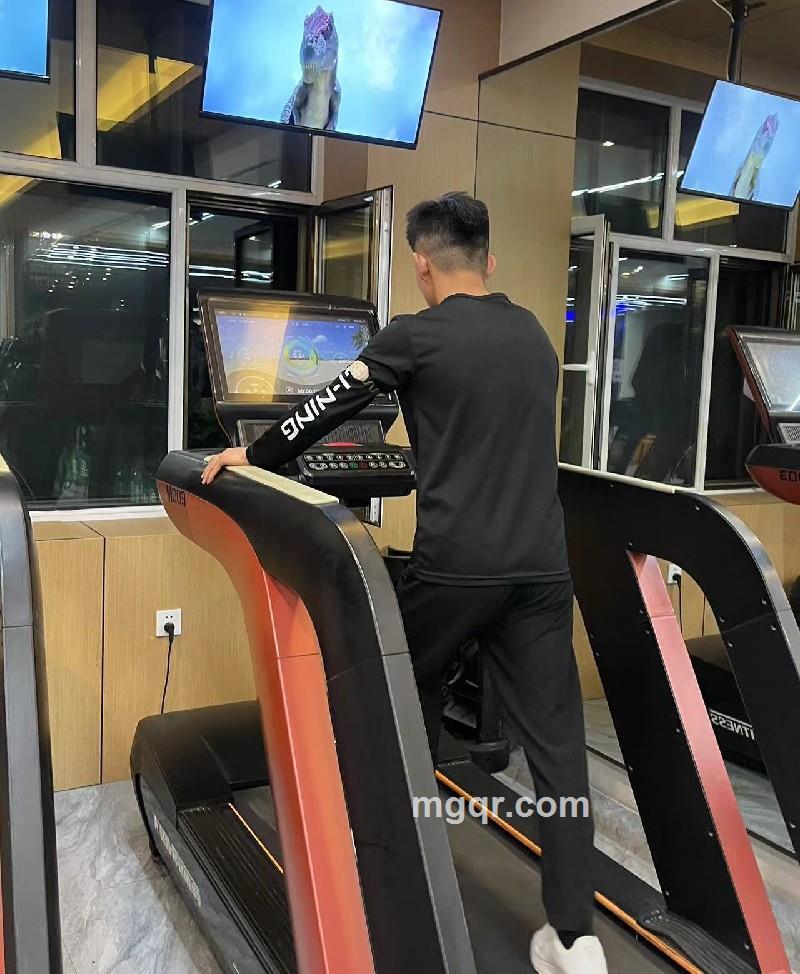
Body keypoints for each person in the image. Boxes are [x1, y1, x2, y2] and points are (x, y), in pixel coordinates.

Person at [202, 191, 607, 974]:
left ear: (422, 264)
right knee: (559, 752)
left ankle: (384, 858)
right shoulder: (531, 332)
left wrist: (257, 455)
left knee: (382, 687)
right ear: (487, 260)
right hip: (542, 571)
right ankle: (574, 938)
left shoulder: (414, 336)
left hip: (456, 569)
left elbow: (329, 404)